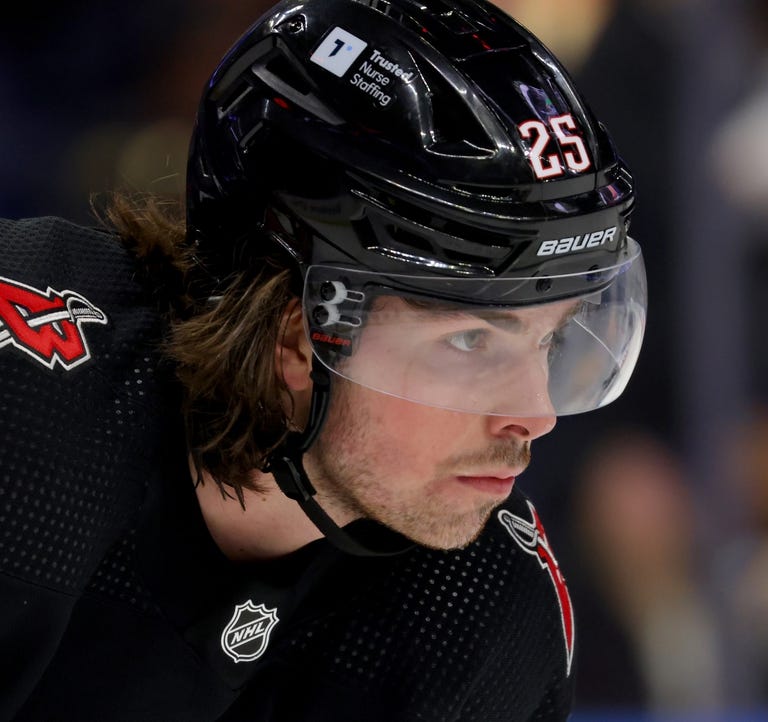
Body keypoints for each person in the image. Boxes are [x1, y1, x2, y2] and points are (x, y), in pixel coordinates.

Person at [0, 0, 647, 719]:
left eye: (548, 338)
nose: (535, 413)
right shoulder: (25, 419)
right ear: (296, 333)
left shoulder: (476, 607)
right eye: (470, 341)